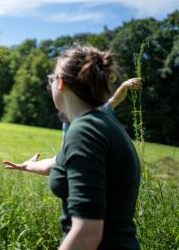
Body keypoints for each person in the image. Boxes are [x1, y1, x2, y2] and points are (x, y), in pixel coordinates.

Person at [9, 46, 141, 249]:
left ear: (60, 83)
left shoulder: (85, 131)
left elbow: (86, 233)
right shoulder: (100, 124)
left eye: (51, 78)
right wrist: (28, 166)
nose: (50, 84)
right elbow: (59, 162)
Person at [3, 77, 142, 176]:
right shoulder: (69, 125)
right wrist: (28, 165)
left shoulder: (90, 119)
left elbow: (115, 100)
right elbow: (59, 162)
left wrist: (124, 86)